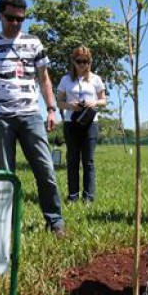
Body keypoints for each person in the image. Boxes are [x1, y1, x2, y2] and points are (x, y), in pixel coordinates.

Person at [0, 0, 66, 237]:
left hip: (31, 116)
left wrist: (51, 109)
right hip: (0, 117)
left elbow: (44, 79)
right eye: (10, 18)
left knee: (45, 170)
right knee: (5, 174)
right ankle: (7, 223)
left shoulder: (34, 43)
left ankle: (55, 221)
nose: (15, 23)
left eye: (20, 19)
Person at [57, 46, 106, 203]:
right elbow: (59, 102)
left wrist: (94, 103)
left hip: (90, 123)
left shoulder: (96, 79)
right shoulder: (66, 79)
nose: (82, 64)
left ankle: (88, 197)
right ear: (73, 61)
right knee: (72, 160)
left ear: (90, 62)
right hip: (71, 122)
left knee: (88, 161)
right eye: (79, 61)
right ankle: (73, 196)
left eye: (86, 61)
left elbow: (104, 100)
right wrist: (69, 105)